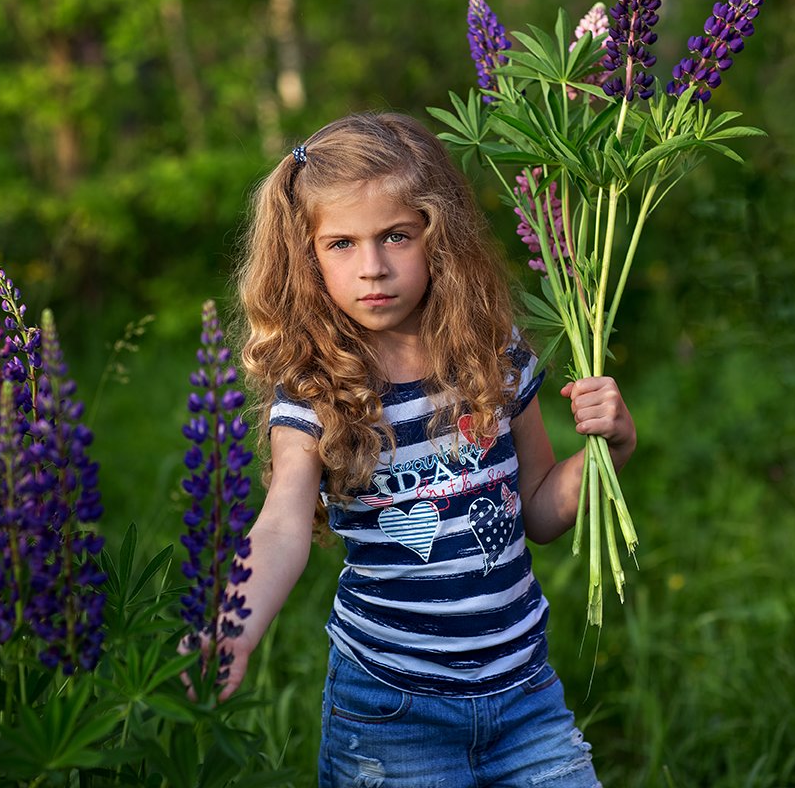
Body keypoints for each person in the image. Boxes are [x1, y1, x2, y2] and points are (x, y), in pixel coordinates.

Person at [226, 111, 635, 787]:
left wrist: (610, 450)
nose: (374, 268)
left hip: (526, 698)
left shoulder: (492, 355)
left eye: (395, 236)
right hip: (392, 713)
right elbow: (281, 524)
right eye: (341, 245)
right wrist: (235, 625)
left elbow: (537, 509)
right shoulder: (313, 387)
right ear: (305, 257)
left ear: (437, 236)